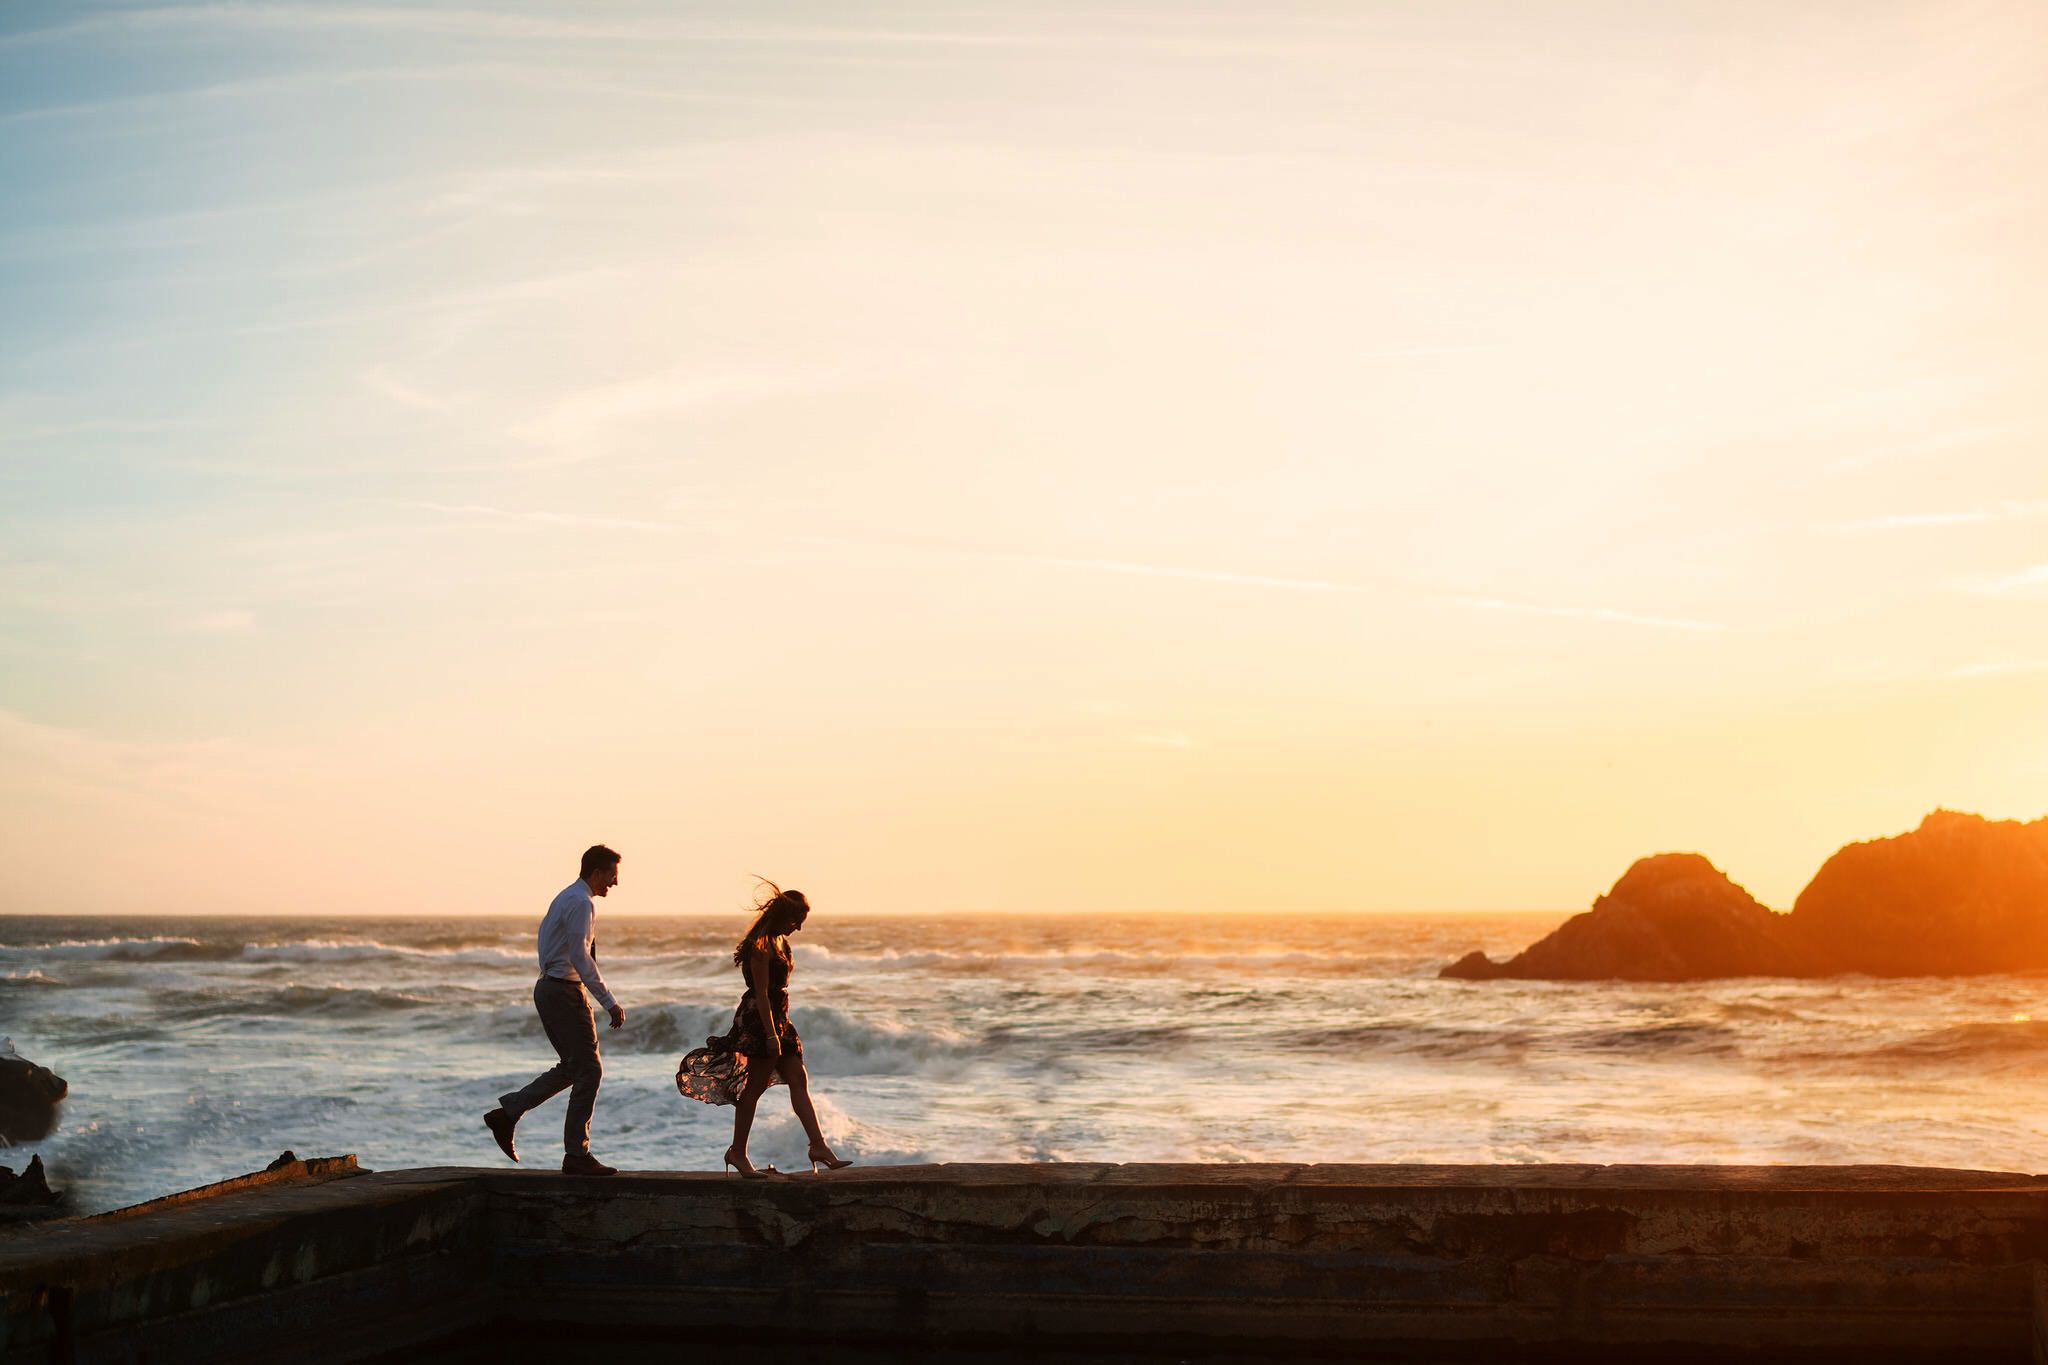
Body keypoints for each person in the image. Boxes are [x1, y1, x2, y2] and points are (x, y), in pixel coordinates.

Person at [676, 882, 853, 1178]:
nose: (799, 928)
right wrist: (771, 1035)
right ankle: (737, 1152)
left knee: (799, 1077)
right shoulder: (761, 943)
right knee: (754, 1087)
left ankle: (818, 1146)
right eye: (797, 921)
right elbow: (760, 994)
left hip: (780, 1018)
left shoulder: (782, 940)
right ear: (785, 915)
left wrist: (780, 1026)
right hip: (761, 1020)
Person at [484, 845, 627, 1176]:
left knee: (574, 1068)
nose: (615, 883)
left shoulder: (567, 898)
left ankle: (508, 1114)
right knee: (589, 1071)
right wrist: (609, 1000)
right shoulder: (581, 902)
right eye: (613, 876)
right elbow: (580, 955)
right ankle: (576, 1154)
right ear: (597, 872)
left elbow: (551, 943)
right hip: (562, 991)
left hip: (552, 987)